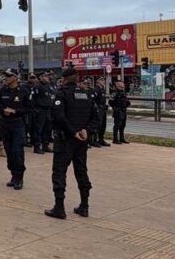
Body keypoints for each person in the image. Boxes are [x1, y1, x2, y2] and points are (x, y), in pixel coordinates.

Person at [45, 67, 98, 220]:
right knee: (81, 171)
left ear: (65, 79)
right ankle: (84, 206)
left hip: (65, 140)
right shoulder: (87, 94)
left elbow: (59, 116)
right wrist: (86, 131)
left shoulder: (62, 94)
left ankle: (59, 207)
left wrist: (73, 132)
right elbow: (96, 118)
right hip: (81, 141)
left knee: (59, 172)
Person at [0, 68, 31, 189]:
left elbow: (29, 108)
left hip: (18, 123)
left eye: (9, 76)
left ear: (15, 77)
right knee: (9, 151)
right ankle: (13, 175)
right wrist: (3, 111)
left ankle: (19, 177)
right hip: (5, 124)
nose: (7, 78)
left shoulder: (24, 91)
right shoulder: (1, 91)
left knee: (17, 150)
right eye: (6, 76)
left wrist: (15, 111)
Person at [31, 72, 54, 154]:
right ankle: (37, 146)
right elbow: (33, 99)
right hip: (40, 110)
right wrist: (35, 109)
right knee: (38, 129)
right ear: (40, 77)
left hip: (48, 110)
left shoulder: (48, 86)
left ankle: (45, 145)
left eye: (48, 76)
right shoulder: (37, 87)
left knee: (47, 128)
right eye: (45, 76)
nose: (47, 77)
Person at [110, 79, 130, 144]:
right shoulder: (114, 93)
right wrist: (115, 108)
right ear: (117, 85)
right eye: (120, 84)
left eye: (122, 84)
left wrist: (127, 104)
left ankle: (122, 138)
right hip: (118, 111)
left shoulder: (124, 93)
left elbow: (127, 101)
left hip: (124, 111)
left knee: (123, 126)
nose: (122, 85)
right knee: (117, 125)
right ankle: (115, 139)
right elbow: (110, 102)